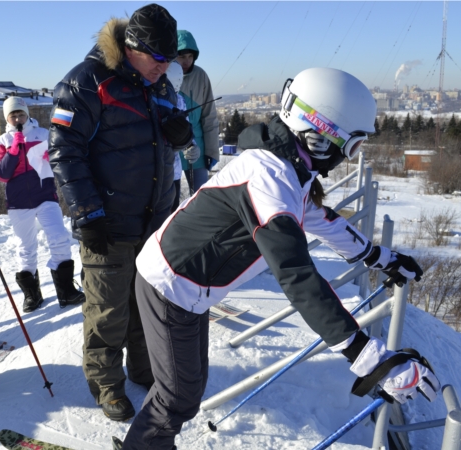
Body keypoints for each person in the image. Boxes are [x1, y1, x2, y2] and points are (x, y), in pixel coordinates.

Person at [117, 68, 440, 449]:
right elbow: (296, 274)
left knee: (186, 386)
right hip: (172, 284)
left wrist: (379, 256)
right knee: (179, 397)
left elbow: (321, 219)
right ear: (319, 136)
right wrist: (369, 358)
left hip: (190, 283)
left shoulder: (287, 166)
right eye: (350, 146)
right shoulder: (269, 177)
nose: (348, 157)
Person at [48, 3, 192, 422]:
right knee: (108, 309)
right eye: (158, 59)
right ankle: (106, 384)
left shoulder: (160, 84)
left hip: (155, 218)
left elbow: (161, 140)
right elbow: (64, 150)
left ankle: (145, 368)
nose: (165, 68)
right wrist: (87, 214)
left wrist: (178, 133)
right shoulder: (86, 82)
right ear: (133, 46)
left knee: (148, 303)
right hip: (106, 222)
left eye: (170, 60)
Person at [0, 97, 84, 313]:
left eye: (20, 114)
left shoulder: (43, 135)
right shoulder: (3, 141)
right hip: (18, 203)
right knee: (25, 247)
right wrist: (15, 147)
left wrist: (51, 155)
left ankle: (66, 291)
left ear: (27, 114)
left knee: (59, 237)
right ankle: (32, 295)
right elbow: (1, 174)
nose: (17, 118)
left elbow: (61, 154)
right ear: (7, 118)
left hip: (45, 196)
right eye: (12, 115)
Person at [176, 29, 220, 193]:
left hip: (198, 149)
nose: (187, 61)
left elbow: (209, 117)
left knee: (201, 198)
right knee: (169, 202)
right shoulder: (164, 75)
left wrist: (211, 151)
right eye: (182, 56)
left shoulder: (201, 76)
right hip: (172, 150)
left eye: (190, 56)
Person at [164, 61, 200, 212]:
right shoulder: (145, 98)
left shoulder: (179, 100)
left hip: (173, 173)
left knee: (168, 221)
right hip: (150, 174)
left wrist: (191, 145)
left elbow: (185, 130)